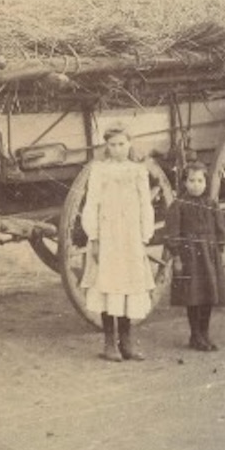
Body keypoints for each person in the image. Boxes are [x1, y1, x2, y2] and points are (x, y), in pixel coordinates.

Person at [81, 123, 155, 362]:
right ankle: (109, 343)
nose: (117, 149)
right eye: (112, 145)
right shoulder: (100, 170)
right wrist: (94, 237)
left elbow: (146, 204)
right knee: (107, 285)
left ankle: (127, 341)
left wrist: (145, 235)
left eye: (122, 144)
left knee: (128, 287)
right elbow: (91, 204)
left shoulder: (138, 171)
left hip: (130, 236)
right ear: (107, 147)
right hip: (109, 235)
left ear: (129, 144)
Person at [165, 162, 225, 351]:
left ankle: (205, 333)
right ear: (184, 182)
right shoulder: (178, 206)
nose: (196, 185)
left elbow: (220, 230)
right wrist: (176, 255)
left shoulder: (211, 204)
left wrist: (218, 249)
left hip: (208, 256)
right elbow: (172, 232)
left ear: (206, 182)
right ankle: (195, 335)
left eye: (200, 180)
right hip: (189, 256)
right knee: (193, 296)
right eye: (191, 180)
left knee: (208, 294)